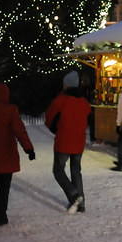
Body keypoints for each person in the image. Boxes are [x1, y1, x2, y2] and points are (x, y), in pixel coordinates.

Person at [0, 82, 35, 234]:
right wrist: (28, 148)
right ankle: (1, 215)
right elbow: (19, 130)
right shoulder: (11, 110)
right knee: (4, 187)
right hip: (6, 155)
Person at [45, 70, 92, 213]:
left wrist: (56, 130)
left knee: (58, 170)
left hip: (64, 140)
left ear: (66, 85)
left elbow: (49, 118)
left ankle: (74, 195)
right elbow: (88, 120)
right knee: (76, 170)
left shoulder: (61, 100)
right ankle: (81, 202)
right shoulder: (84, 102)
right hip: (79, 141)